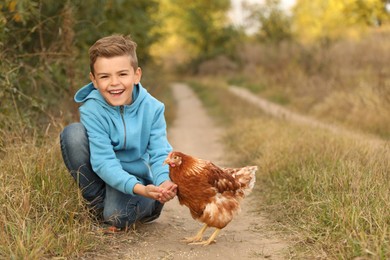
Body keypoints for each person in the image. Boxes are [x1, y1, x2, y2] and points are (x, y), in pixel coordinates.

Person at [60, 34, 177, 230]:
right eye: (105, 76)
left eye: (122, 74)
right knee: (72, 134)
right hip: (106, 178)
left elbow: (159, 153)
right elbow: (103, 161)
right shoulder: (91, 110)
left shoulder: (153, 108)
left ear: (136, 75)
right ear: (94, 80)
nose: (114, 83)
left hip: (139, 182)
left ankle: (150, 205)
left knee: (117, 215)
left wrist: (162, 183)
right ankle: (98, 208)